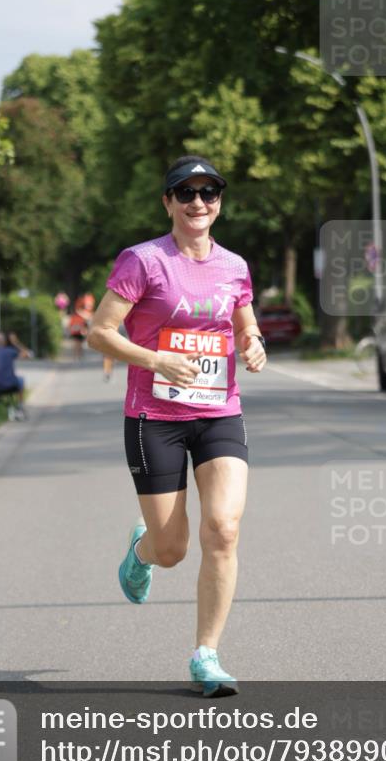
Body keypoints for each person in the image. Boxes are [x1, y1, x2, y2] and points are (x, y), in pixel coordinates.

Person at [87, 155, 266, 697]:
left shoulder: (234, 266)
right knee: (173, 549)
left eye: (209, 193)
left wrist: (253, 343)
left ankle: (206, 656)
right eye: (185, 193)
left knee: (224, 529)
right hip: (153, 418)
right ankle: (142, 551)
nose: (198, 203)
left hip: (218, 412)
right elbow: (99, 333)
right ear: (167, 202)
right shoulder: (143, 261)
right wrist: (154, 360)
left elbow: (244, 320)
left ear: (219, 202)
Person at [0, 330, 32, 419]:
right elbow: (28, 354)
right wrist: (15, 342)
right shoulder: (10, 351)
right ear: (5, 341)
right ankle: (21, 405)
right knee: (21, 380)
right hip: (12, 385)